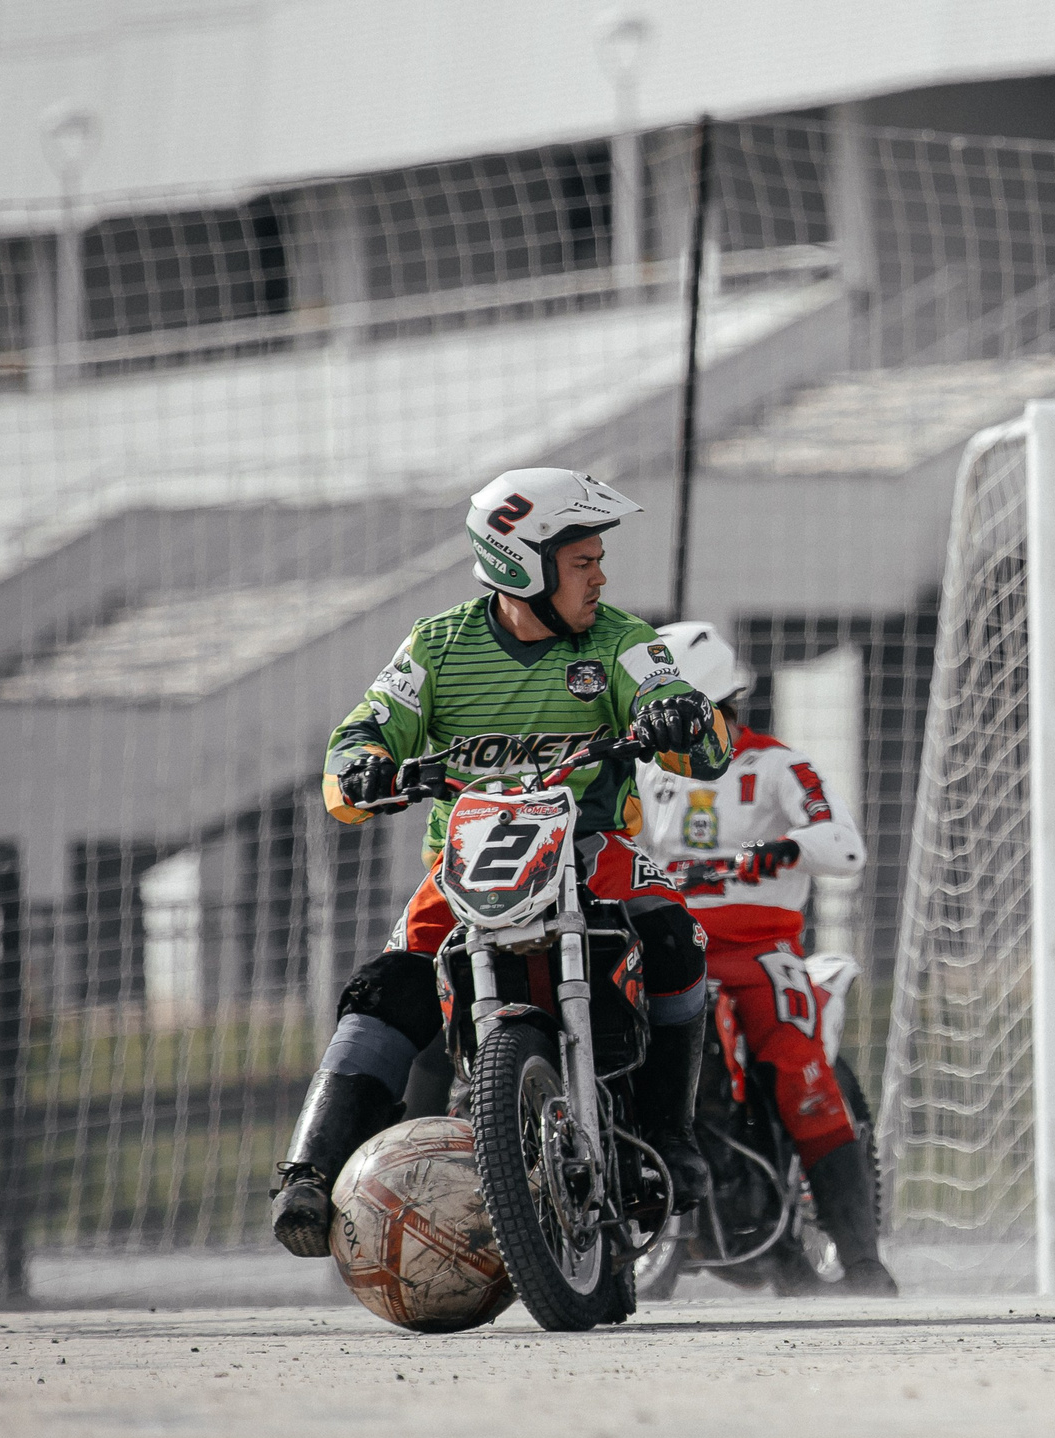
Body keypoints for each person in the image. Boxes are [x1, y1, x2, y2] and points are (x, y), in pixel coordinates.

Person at [269, 468, 733, 1257]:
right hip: (467, 864)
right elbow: (359, 736)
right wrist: (362, 767)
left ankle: (671, 1133)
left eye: (597, 561)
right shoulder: (436, 645)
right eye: (582, 563)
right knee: (384, 987)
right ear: (525, 565)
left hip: (590, 848)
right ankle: (308, 1174)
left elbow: (705, 743)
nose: (600, 577)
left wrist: (683, 716)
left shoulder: (622, 640)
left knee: (674, 936)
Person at [634, 623, 896, 1296]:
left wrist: (785, 849)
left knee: (799, 1070)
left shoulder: (778, 765)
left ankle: (861, 1258)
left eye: (685, 710)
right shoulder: (640, 769)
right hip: (658, 944)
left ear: (721, 704)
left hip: (755, 954)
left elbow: (846, 846)